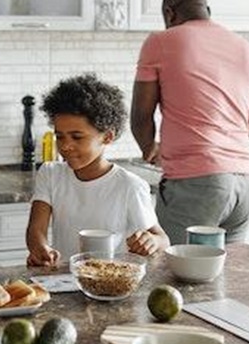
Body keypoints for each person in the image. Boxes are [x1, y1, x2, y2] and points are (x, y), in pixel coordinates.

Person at [131, 0, 249, 245]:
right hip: (245, 184)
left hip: (195, 182)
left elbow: (140, 114)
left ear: (169, 13)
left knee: (172, 273)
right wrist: (221, 140)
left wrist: (149, 147)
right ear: (207, 9)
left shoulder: (161, 41)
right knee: (228, 273)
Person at [26, 74, 169, 267]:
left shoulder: (130, 186)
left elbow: (161, 238)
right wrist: (40, 247)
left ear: (107, 137)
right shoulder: (51, 174)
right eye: (60, 137)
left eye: (77, 137)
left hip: (111, 281)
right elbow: (36, 229)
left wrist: (151, 242)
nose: (66, 146)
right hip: (63, 278)